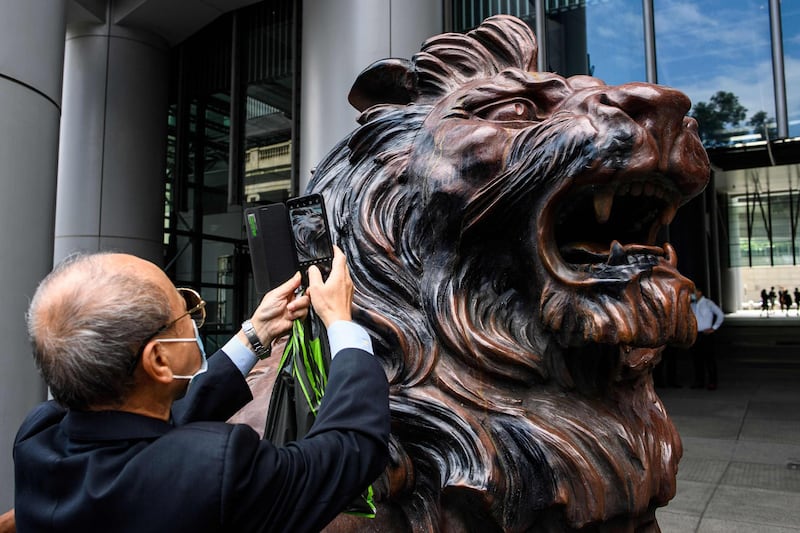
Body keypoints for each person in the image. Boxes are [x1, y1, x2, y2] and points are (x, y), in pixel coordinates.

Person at [13, 248, 390, 533]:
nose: (195, 317)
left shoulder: (39, 435)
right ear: (158, 360)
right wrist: (342, 323)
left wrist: (254, 336)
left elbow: (158, 437)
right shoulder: (215, 471)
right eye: (185, 311)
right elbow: (349, 447)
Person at [690, 289, 724, 391]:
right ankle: (699, 381)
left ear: (700, 292)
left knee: (709, 359)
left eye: (694, 292)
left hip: (706, 335)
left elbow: (720, 315)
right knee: (697, 360)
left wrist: (714, 328)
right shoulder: (692, 305)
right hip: (696, 335)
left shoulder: (708, 303)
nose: (692, 294)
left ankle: (712, 382)